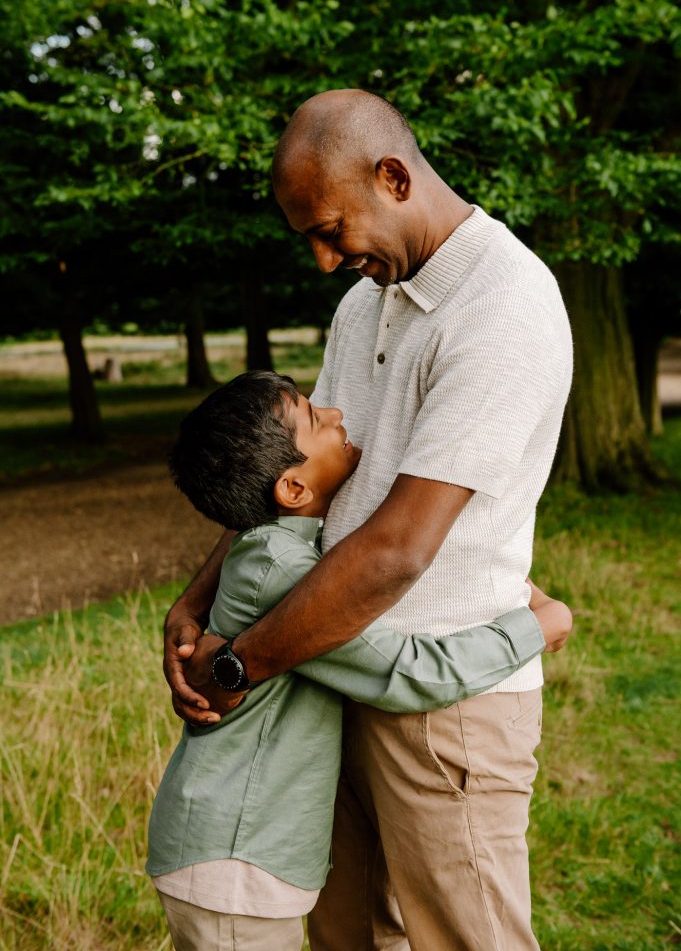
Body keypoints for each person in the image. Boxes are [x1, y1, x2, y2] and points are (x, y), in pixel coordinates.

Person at [163, 89, 574, 950]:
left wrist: (236, 666)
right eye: (307, 237)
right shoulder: (368, 299)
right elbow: (292, 477)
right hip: (324, 672)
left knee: (467, 940)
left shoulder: (501, 308)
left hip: (443, 702)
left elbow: (395, 551)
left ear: (392, 177)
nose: (321, 260)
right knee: (352, 935)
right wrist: (199, 603)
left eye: (329, 230)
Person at [149, 370, 570, 951]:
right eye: (315, 419)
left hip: (231, 854)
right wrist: (533, 628)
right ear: (292, 490)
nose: (338, 416)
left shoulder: (276, 548)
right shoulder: (283, 575)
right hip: (233, 861)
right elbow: (409, 673)